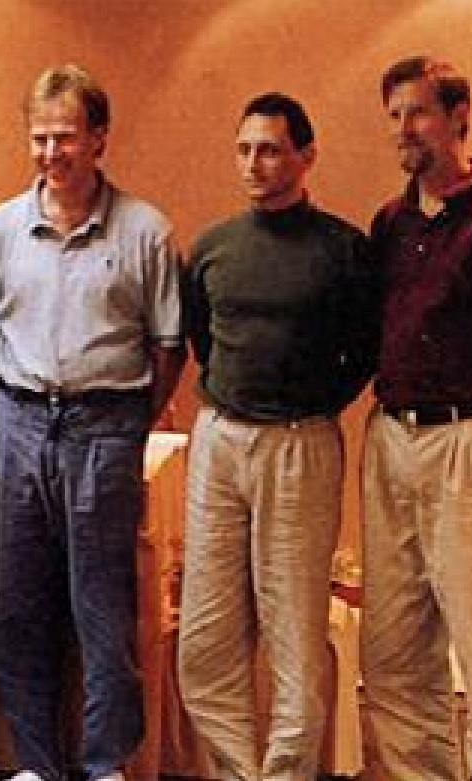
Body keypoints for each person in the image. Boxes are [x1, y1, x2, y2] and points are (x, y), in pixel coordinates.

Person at [0, 64, 185, 781]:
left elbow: (168, 345)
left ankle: (103, 764)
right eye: (39, 137)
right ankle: (37, 763)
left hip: (105, 426)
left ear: (99, 137)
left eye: (65, 137)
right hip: (20, 423)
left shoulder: (145, 230)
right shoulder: (2, 228)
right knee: (18, 608)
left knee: (101, 608)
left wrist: (128, 423)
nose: (50, 152)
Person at [177, 93, 377, 781]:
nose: (253, 164)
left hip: (300, 445)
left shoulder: (343, 250)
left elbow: (364, 350)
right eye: (244, 150)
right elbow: (203, 341)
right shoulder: (213, 247)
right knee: (205, 639)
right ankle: (238, 771)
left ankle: (287, 772)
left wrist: (312, 405)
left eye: (269, 150)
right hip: (220, 440)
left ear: (305, 156)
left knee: (293, 632)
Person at [360, 55, 472, 780]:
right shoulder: (390, 222)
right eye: (394, 116)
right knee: (395, 652)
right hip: (393, 441)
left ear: (459, 116)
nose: (403, 129)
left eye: (418, 112)